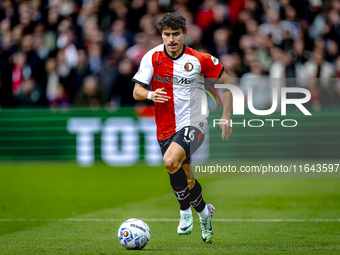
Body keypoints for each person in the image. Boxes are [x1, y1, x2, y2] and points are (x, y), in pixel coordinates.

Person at [132, 12, 232, 243]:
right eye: (166, 35)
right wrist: (149, 94)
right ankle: (205, 214)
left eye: (176, 34)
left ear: (185, 34)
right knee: (187, 181)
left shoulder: (200, 59)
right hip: (165, 128)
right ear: (162, 36)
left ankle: (185, 213)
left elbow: (227, 86)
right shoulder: (152, 57)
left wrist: (226, 116)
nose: (171, 39)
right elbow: (136, 92)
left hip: (194, 122)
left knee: (169, 161)